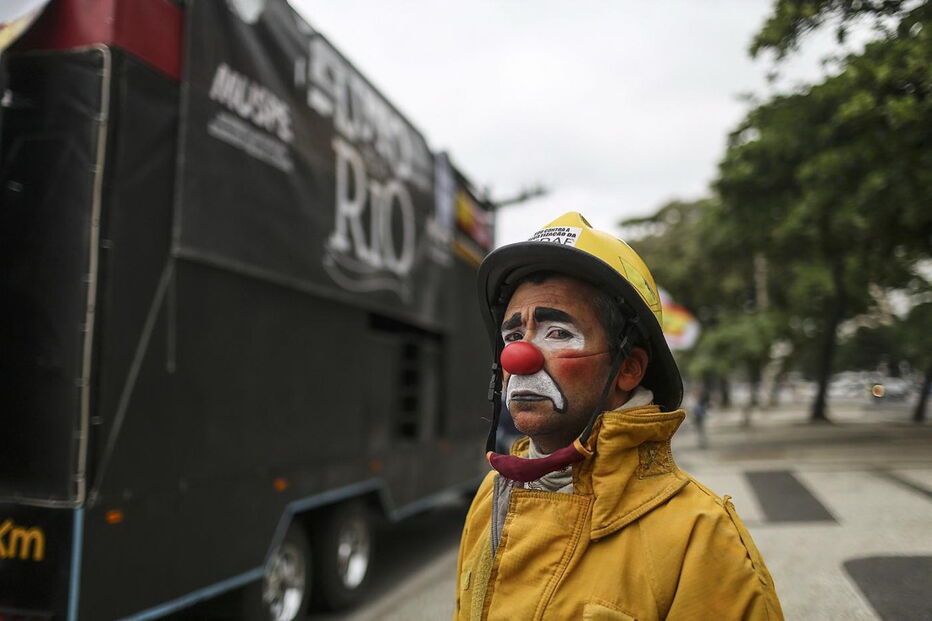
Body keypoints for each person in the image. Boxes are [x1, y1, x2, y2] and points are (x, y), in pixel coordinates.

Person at [455, 212, 783, 620]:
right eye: (512, 335)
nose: (518, 357)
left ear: (629, 368)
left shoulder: (699, 536)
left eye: (558, 333)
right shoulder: (491, 495)